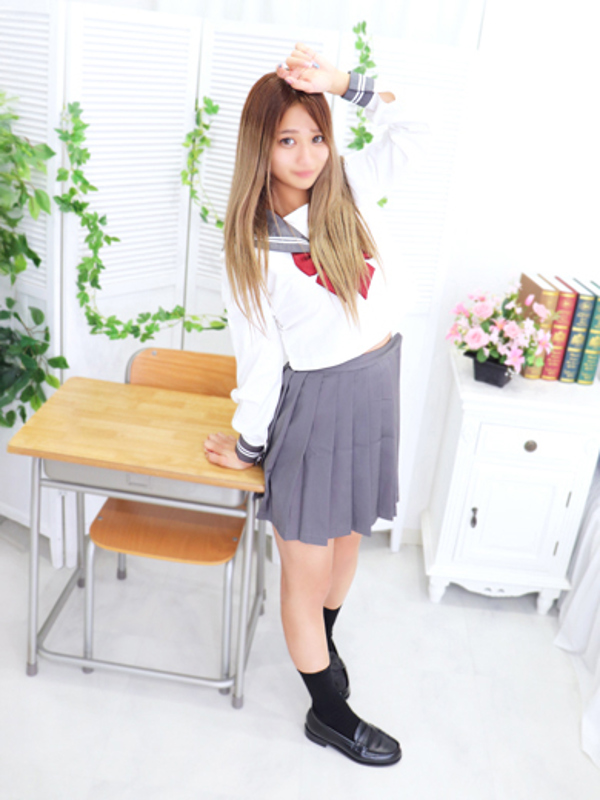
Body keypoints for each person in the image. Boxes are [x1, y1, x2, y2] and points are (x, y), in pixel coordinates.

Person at [205, 42, 423, 766]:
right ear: (260, 149)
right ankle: (329, 714)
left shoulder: (347, 185)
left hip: (375, 389)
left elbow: (416, 124)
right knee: (305, 570)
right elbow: (261, 360)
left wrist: (340, 82)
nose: (307, 156)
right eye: (287, 141)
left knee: (348, 545)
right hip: (316, 407)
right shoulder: (251, 244)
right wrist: (247, 443)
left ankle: (322, 650)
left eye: (316, 137)